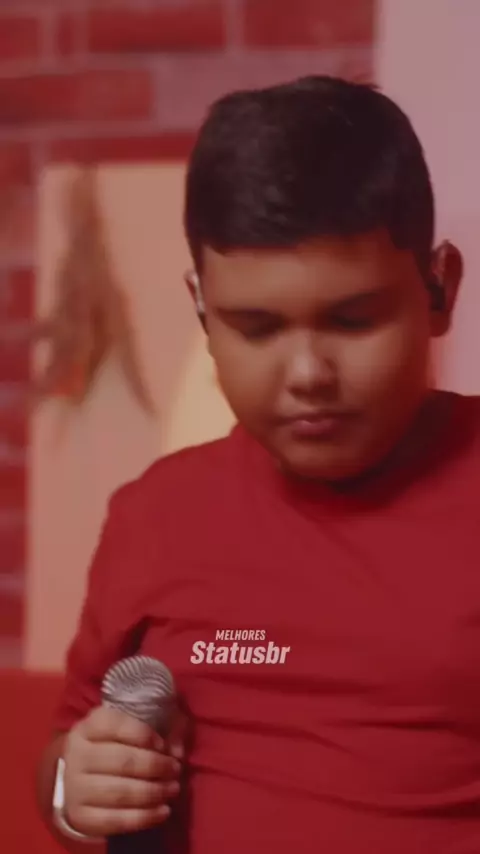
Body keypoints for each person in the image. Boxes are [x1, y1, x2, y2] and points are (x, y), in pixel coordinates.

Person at [36, 75, 480, 854]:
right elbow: (67, 761)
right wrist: (80, 792)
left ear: (438, 287)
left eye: (353, 320)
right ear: (201, 308)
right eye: (257, 328)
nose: (307, 372)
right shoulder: (155, 512)